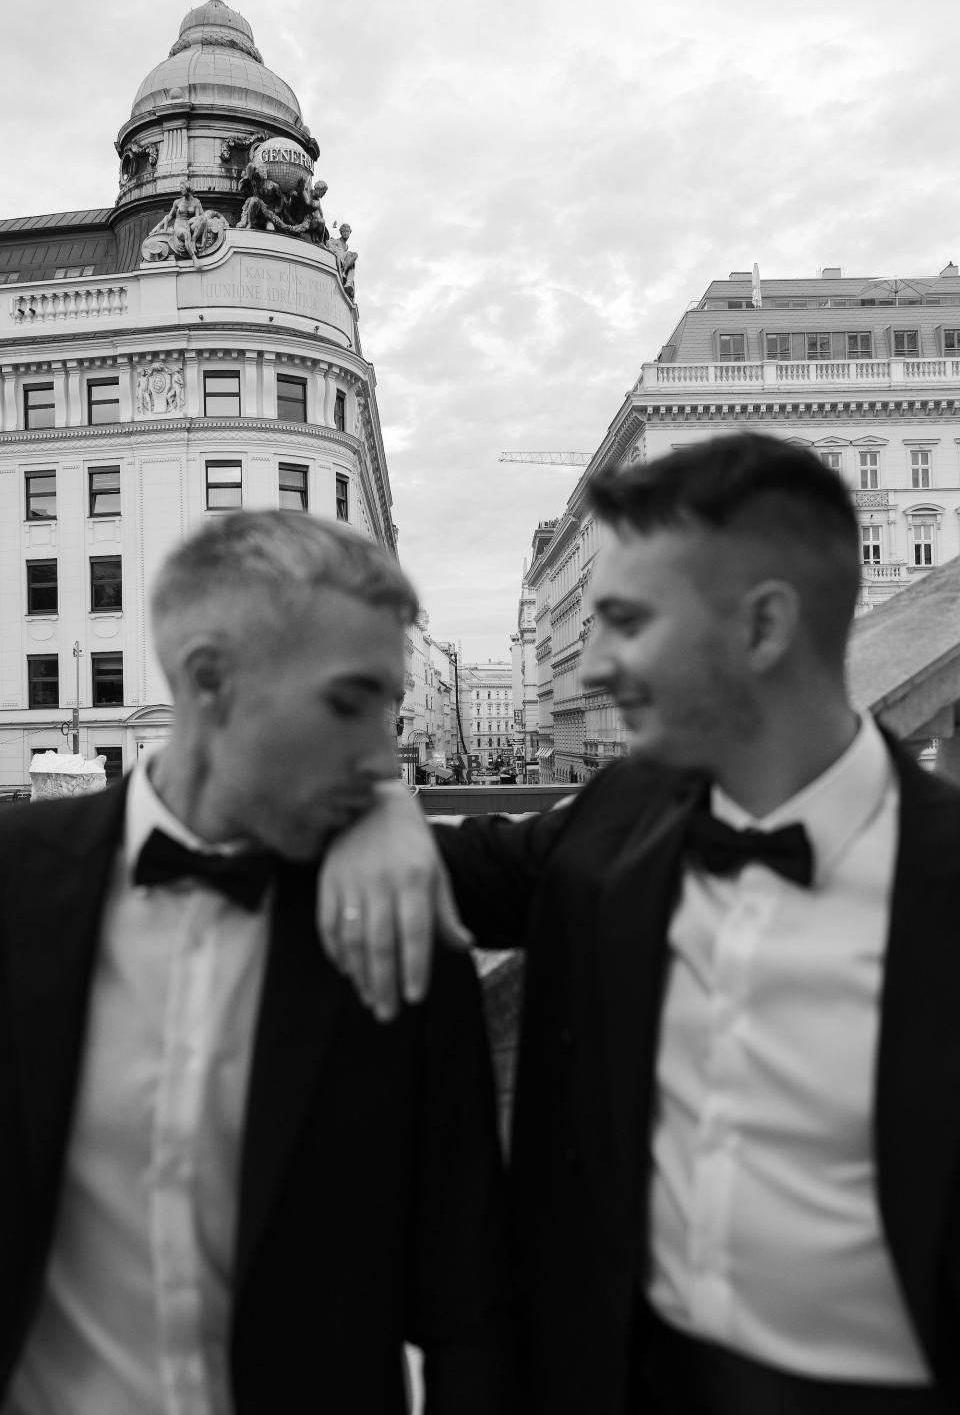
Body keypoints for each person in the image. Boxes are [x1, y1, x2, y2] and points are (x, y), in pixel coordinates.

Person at [319, 432, 960, 1415]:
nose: (600, 663)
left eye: (626, 620)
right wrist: (370, 814)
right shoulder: (619, 816)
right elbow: (472, 865)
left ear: (762, 629)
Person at [0, 511, 511, 1415]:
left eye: (390, 710)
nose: (385, 759)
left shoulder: (401, 929)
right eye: (348, 704)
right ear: (210, 681)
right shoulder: (15, 885)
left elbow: (470, 1308)